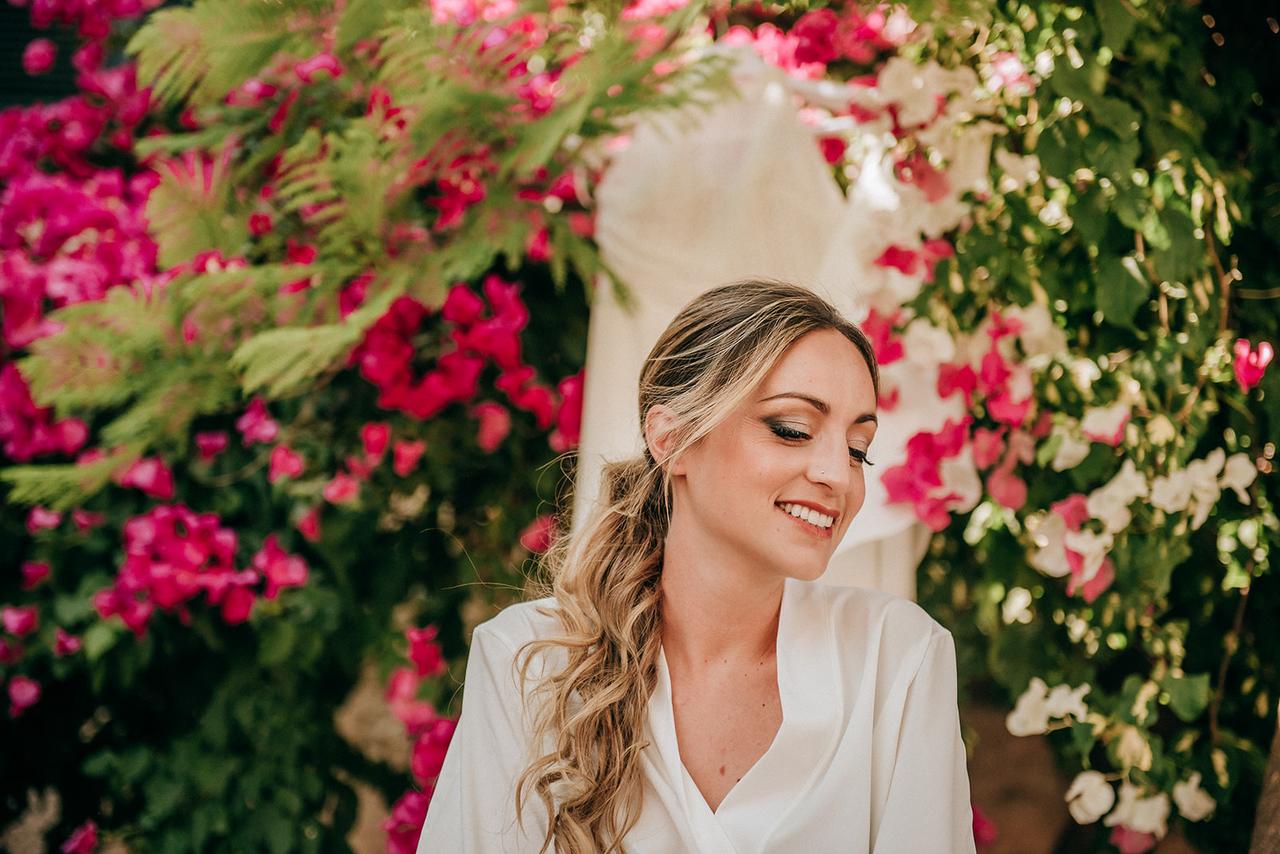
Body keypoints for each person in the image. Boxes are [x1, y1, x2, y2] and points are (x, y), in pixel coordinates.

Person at [416, 280, 975, 854]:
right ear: (674, 439)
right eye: (793, 430)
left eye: (858, 449)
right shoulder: (529, 663)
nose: (838, 474)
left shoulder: (897, 658)